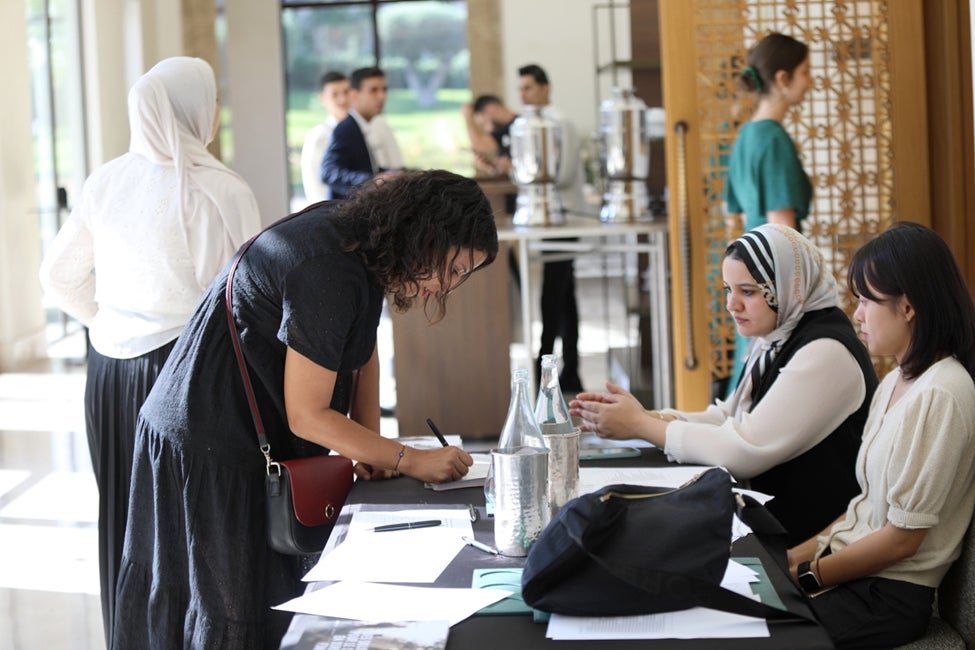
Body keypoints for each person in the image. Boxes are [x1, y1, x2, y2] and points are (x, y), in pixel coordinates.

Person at [112, 170, 498, 648]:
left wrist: (371, 449)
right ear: (429, 233)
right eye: (454, 269)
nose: (447, 287)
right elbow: (307, 414)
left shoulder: (364, 238)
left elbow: (361, 349)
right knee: (230, 603)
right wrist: (407, 457)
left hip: (226, 425)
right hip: (207, 437)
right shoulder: (328, 267)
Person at [37, 56, 261, 645]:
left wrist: (109, 324)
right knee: (189, 524)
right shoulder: (219, 189)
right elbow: (242, 304)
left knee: (123, 512)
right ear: (196, 110)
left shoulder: (106, 179)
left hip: (109, 373)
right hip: (188, 377)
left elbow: (58, 276)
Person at [571, 224, 878, 546]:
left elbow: (745, 449)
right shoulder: (778, 333)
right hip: (771, 523)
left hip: (812, 542)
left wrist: (641, 425)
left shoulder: (826, 351)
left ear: (790, 287)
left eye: (748, 291)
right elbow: (729, 417)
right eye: (728, 290)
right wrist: (648, 417)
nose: (732, 305)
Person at [786, 222, 975, 649]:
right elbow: (863, 508)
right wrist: (793, 557)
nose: (856, 315)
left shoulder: (943, 392)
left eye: (867, 300)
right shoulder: (895, 381)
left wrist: (807, 576)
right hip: (854, 575)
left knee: (751, 634)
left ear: (907, 307)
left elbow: (902, 541)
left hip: (886, 598)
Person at [724, 32, 814, 398]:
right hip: (772, 282)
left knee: (749, 378)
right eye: (805, 72)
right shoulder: (774, 140)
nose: (810, 81)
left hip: (747, 276)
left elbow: (735, 214)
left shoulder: (746, 136)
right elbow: (782, 229)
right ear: (782, 79)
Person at [517, 63, 584, 391]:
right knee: (564, 295)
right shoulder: (527, 125)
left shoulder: (561, 123)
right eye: (521, 89)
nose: (523, 95)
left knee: (554, 293)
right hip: (544, 218)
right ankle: (568, 367)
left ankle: (547, 362)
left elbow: (566, 171)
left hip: (563, 216)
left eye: (529, 87)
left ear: (546, 88)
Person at [321, 66, 403, 200]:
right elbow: (328, 173)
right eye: (373, 90)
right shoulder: (346, 129)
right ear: (354, 95)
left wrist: (392, 174)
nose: (382, 96)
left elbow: (366, 167)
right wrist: (372, 180)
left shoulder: (364, 126)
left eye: (384, 90)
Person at [300, 71, 350, 204]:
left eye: (346, 92)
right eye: (335, 94)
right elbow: (314, 186)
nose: (343, 100)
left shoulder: (363, 130)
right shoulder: (319, 136)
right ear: (323, 98)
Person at [462, 94, 517, 177]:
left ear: (491, 109)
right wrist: (490, 168)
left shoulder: (516, 125)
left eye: (484, 123)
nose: (486, 130)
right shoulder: (504, 133)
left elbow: (479, 144)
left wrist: (467, 116)